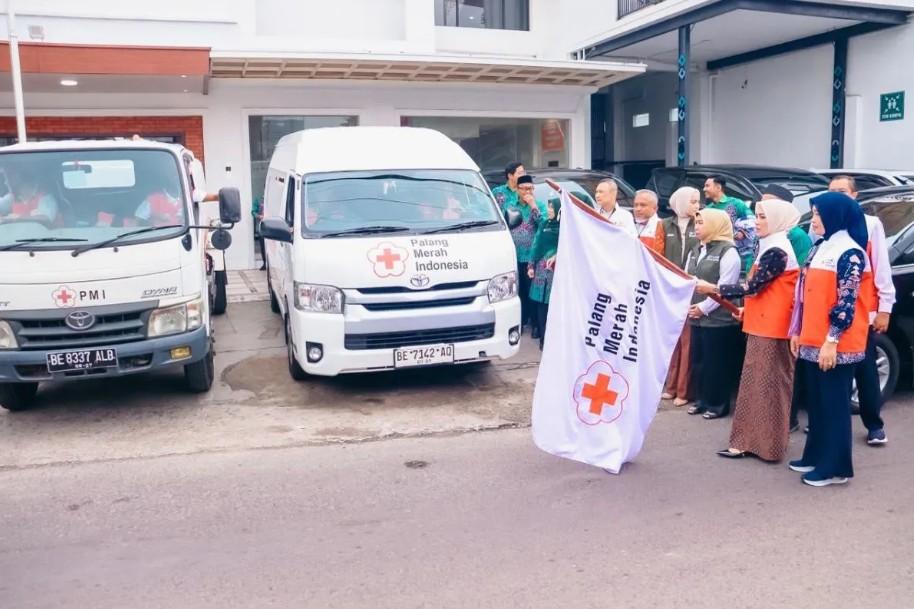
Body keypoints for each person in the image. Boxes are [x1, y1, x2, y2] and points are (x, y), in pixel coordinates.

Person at [696, 199, 801, 461]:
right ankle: (749, 442)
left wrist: (713, 288)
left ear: (777, 219)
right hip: (762, 324)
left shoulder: (778, 251)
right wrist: (747, 310)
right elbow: (764, 292)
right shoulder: (770, 247)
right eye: (757, 216)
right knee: (755, 387)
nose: (757, 222)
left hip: (773, 330)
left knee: (770, 388)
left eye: (763, 217)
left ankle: (768, 447)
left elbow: (751, 287)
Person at [788, 192, 869, 487]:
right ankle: (815, 456)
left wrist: (832, 340)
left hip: (835, 344)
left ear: (836, 216)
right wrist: (796, 331)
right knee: (818, 404)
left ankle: (835, 468)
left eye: (819, 214)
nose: (815, 220)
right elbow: (803, 297)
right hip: (811, 338)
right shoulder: (819, 247)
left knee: (834, 405)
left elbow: (846, 302)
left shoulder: (851, 253)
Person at [827, 175, 894, 446]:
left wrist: (885, 307)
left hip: (860, 311)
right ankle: (827, 423)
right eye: (831, 191)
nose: (837, 195)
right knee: (830, 372)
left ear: (855, 195)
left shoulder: (870, 224)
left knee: (864, 369)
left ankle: (874, 424)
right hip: (826, 311)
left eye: (842, 191)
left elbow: (881, 266)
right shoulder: (822, 226)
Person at [757, 184, 813, 434]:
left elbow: (799, 273)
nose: (763, 210)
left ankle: (786, 419)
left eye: (769, 205)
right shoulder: (768, 238)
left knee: (783, 371)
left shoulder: (793, 238)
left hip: (783, 313)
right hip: (764, 311)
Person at [686, 208, 743, 420]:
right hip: (697, 316)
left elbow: (725, 287)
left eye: (701, 223)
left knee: (716, 363)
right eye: (696, 223)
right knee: (699, 361)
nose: (697, 227)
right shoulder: (696, 249)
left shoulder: (728, 251)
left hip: (719, 319)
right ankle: (701, 400)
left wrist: (703, 308)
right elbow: (687, 278)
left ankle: (717, 404)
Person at [661, 186, 701, 407]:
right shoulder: (665, 224)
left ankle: (684, 391)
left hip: (691, 288)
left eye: (698, 201)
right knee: (672, 340)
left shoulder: (702, 224)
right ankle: (670, 386)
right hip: (670, 288)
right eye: (693, 201)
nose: (697, 206)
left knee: (687, 341)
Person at [507, 174, 546, 337]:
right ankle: (520, 323)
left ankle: (536, 325)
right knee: (518, 292)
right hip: (514, 256)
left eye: (530, 188)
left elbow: (543, 225)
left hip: (532, 258)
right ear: (517, 189)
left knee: (533, 293)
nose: (527, 192)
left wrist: (533, 206)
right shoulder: (510, 206)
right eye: (524, 189)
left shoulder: (540, 205)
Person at [703, 176, 756, 275]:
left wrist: (742, 232)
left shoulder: (736, 204)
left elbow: (752, 221)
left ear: (718, 187)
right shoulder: (708, 209)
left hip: (739, 253)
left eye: (707, 186)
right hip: (715, 253)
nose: (704, 189)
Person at [527, 199, 560, 351]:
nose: (549, 210)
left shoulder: (565, 227)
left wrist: (557, 255)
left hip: (556, 271)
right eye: (548, 207)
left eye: (552, 207)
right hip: (541, 270)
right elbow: (536, 244)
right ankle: (543, 337)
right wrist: (531, 265)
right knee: (541, 304)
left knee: (553, 305)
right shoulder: (544, 224)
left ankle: (553, 338)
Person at [760, 184, 812, 265]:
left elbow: (801, 267)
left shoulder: (797, 236)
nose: (763, 205)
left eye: (769, 202)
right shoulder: (761, 229)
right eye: (762, 202)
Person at [632, 189, 664, 254]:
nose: (638, 209)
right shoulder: (627, 222)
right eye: (636, 205)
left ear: (655, 208)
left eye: (643, 205)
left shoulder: (662, 227)